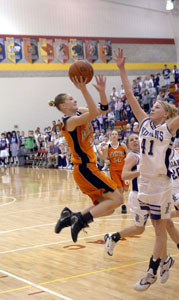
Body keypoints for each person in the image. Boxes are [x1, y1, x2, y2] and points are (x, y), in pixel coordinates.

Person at [113, 48, 179, 291]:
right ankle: (164, 262)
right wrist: (121, 69)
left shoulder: (168, 128)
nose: (152, 109)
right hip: (144, 185)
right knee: (153, 228)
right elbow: (130, 95)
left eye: (157, 107)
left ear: (166, 114)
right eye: (152, 107)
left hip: (161, 185)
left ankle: (151, 271)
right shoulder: (142, 123)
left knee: (160, 229)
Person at [104, 134, 179, 265]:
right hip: (139, 196)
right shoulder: (133, 156)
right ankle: (162, 259)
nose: (134, 141)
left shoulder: (147, 154)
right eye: (131, 140)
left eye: (136, 138)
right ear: (128, 144)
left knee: (166, 223)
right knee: (145, 228)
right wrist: (140, 172)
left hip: (150, 195)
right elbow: (124, 175)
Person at [49, 75, 123, 243]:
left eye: (74, 97)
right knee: (117, 199)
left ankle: (70, 218)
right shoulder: (70, 122)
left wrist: (103, 92)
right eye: (70, 99)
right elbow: (93, 113)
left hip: (88, 168)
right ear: (62, 106)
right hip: (84, 168)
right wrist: (83, 89)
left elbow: (102, 109)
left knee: (109, 208)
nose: (74, 100)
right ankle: (80, 220)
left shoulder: (80, 111)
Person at [99, 129, 128, 214]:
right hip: (114, 170)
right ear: (110, 136)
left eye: (116, 134)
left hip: (123, 170)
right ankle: (123, 205)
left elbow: (128, 153)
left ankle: (111, 197)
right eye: (112, 134)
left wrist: (127, 159)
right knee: (120, 189)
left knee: (125, 189)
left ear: (118, 136)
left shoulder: (122, 145)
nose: (114, 135)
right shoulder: (107, 147)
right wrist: (106, 160)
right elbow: (105, 158)